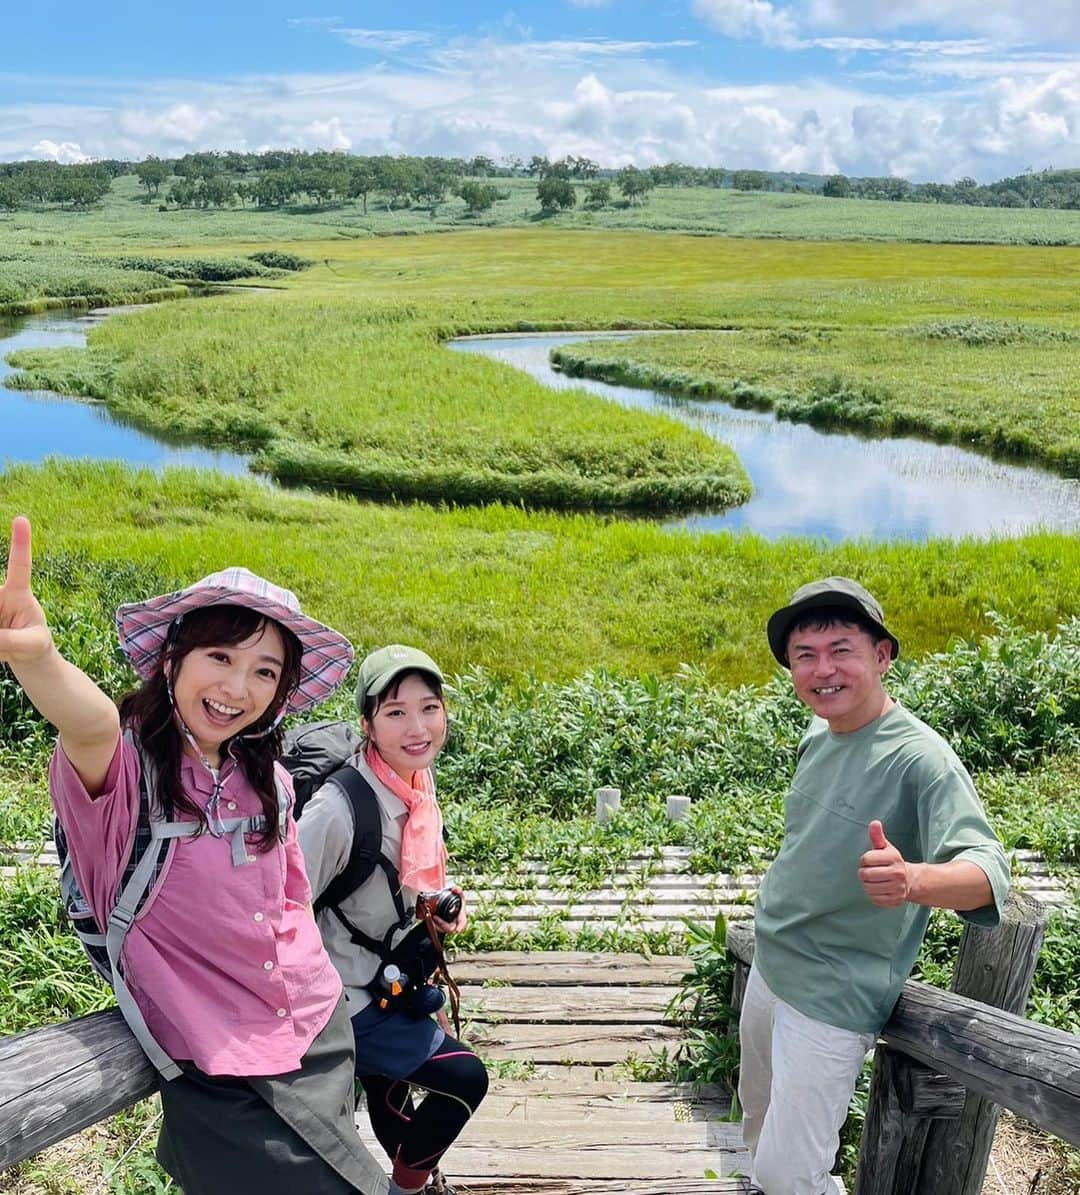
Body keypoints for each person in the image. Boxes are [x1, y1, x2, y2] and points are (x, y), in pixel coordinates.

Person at [0, 515, 387, 1195]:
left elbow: (291, 899)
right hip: (220, 1064)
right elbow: (87, 723)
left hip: (317, 1027)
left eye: (265, 671)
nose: (239, 687)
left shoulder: (268, 778)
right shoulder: (125, 774)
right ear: (174, 657)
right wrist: (37, 659)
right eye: (221, 657)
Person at [738, 577, 1010, 1195]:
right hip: (772, 964)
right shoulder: (820, 732)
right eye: (805, 656)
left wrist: (913, 879)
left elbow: (989, 871)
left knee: (790, 1174)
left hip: (834, 993)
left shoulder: (922, 759)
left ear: (882, 656)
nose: (822, 670)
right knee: (756, 1129)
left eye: (841, 650)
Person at [298, 645, 489, 1195]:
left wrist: (434, 904)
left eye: (429, 708)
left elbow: (408, 876)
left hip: (390, 974)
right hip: (342, 996)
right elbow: (282, 906)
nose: (418, 727)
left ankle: (415, 1179)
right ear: (367, 724)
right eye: (396, 712)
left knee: (389, 1092)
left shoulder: (415, 783)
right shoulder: (338, 809)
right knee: (463, 1079)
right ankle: (403, 1191)